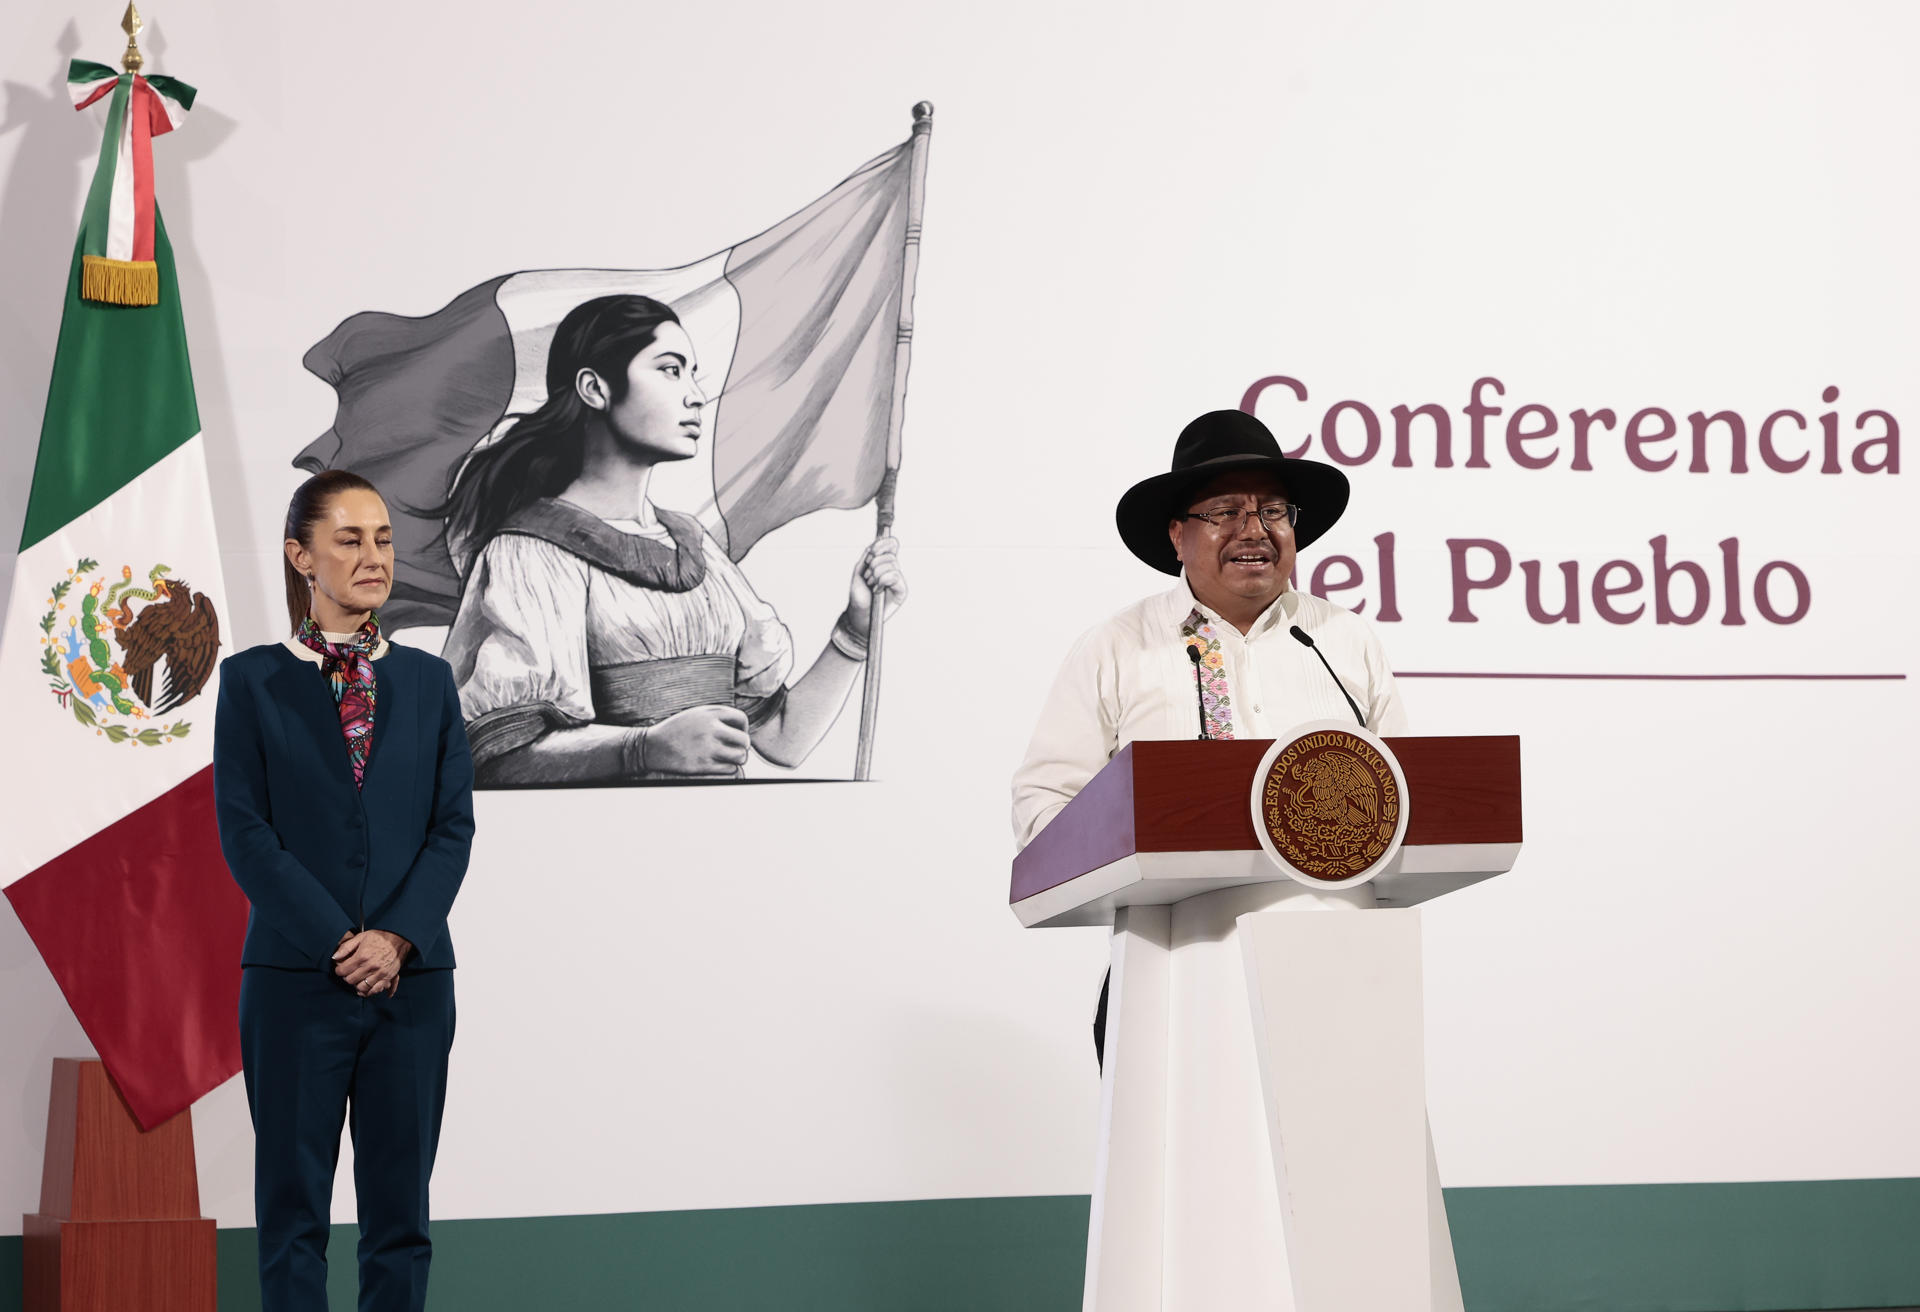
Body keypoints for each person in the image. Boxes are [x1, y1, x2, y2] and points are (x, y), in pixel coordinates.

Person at [1011, 408, 1408, 1062]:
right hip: (1172, 966)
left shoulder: (1343, 641)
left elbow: (1410, 803)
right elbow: (1043, 814)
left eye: (1274, 511)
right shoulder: (1116, 649)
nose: (1254, 530)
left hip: (1339, 970)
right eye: (1225, 511)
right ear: (1176, 535)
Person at [434, 293, 906, 785]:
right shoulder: (531, 552)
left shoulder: (694, 546)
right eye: (670, 369)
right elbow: (496, 757)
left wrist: (855, 630)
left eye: (692, 372)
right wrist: (644, 748)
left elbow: (783, 740)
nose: (696, 394)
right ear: (595, 388)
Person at [213, 469, 475, 1312]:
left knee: (401, 1219)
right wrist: (339, 941)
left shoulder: (431, 684)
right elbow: (247, 835)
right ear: (301, 556)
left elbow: (451, 830)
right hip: (295, 984)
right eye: (350, 539)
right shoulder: (250, 681)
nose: (373, 556)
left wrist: (395, 938)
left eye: (384, 539)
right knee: (293, 1218)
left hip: (414, 987)